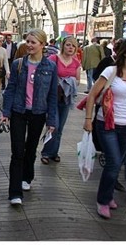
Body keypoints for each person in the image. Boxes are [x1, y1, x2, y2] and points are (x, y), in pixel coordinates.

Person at [1, 28, 58, 205]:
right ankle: (15, 192)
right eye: (28, 41)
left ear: (42, 44)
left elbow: (52, 95)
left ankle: (27, 177)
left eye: (33, 42)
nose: (29, 45)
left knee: (31, 149)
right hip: (18, 111)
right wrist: (6, 113)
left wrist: (51, 120)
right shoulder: (19, 64)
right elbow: (9, 90)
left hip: (38, 113)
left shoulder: (50, 66)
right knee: (17, 152)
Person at [83, 37, 126, 219]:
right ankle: (102, 200)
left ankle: (109, 195)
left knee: (117, 163)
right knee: (113, 162)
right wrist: (88, 119)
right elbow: (92, 95)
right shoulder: (111, 71)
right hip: (107, 124)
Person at [40, 36, 81, 164]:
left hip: (66, 99)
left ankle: (54, 152)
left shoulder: (76, 63)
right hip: (52, 98)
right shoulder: (54, 59)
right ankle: (45, 152)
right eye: (68, 45)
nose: (71, 48)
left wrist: (69, 81)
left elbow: (78, 81)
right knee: (54, 126)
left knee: (60, 128)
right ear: (63, 46)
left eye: (73, 46)